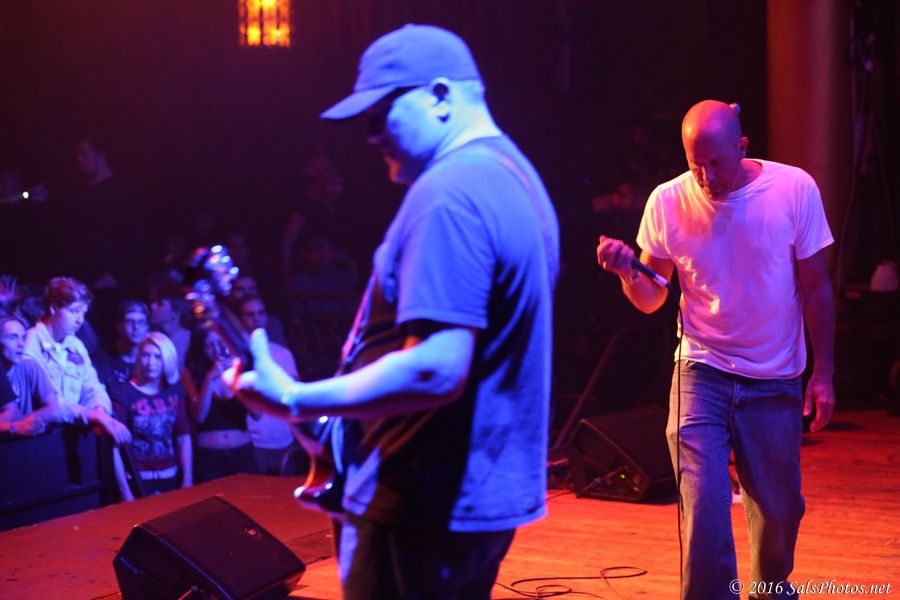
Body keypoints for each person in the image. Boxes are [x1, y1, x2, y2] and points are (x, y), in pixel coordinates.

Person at [231, 23, 559, 600]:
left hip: (421, 499)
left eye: (382, 113)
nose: (371, 135)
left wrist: (295, 399)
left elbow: (437, 366)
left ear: (440, 96)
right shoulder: (517, 179)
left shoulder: (449, 192)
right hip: (475, 495)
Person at [596, 100, 835, 600]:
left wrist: (823, 374)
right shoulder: (668, 201)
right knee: (703, 502)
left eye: (718, 163)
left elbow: (817, 287)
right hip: (701, 368)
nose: (706, 177)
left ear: (741, 147)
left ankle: (770, 588)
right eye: (695, 164)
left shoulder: (793, 189)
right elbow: (652, 297)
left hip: (774, 374)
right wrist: (627, 274)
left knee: (779, 510)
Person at [24, 277, 132, 445]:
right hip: (41, 441)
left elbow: (93, 386)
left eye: (83, 313)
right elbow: (52, 403)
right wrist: (93, 415)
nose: (80, 320)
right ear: (53, 308)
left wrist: (100, 409)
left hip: (76, 439)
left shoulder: (75, 345)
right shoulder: (30, 345)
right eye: (74, 311)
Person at [110, 332, 192, 501]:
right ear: (139, 358)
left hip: (171, 477)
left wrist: (188, 478)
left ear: (167, 359)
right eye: (146, 355)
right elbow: (115, 447)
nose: (151, 362)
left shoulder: (174, 391)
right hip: (138, 480)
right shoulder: (123, 393)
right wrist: (125, 492)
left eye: (157, 356)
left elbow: (183, 437)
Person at [235, 295, 301, 475]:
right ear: (240, 319)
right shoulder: (237, 355)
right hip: (254, 444)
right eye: (250, 314)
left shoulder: (283, 353)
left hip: (284, 441)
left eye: (260, 313)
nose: (256, 318)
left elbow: (294, 396)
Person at [185, 327, 257, 483]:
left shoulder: (242, 371)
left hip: (242, 452)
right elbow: (199, 417)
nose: (216, 350)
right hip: (209, 457)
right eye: (209, 345)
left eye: (220, 343)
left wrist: (237, 380)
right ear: (201, 349)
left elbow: (257, 414)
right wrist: (209, 379)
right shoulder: (191, 374)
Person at [0, 315, 57, 436]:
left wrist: (23, 423)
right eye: (12, 337)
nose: (21, 344)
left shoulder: (30, 366)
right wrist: (16, 426)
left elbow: (55, 409)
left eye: (24, 337)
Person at [95, 300, 151, 388]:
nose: (136, 327)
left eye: (141, 322)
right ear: (119, 326)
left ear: (147, 327)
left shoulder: (152, 361)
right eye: (129, 322)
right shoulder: (102, 359)